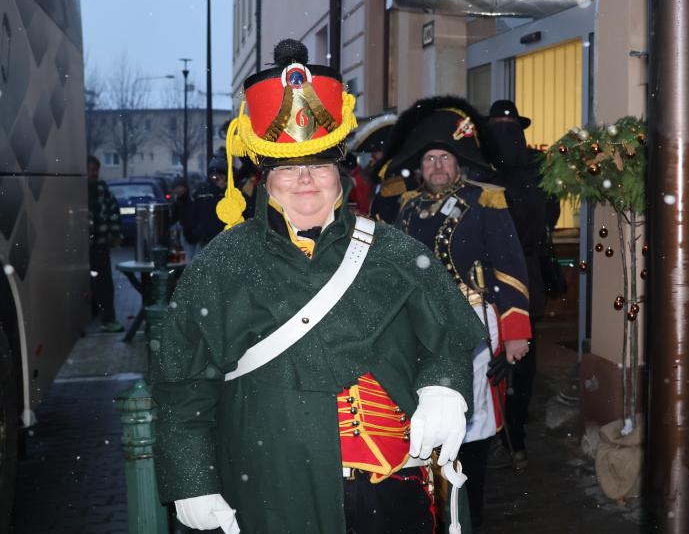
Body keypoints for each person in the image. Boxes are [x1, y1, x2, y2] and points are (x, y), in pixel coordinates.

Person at [149, 40, 486, 534]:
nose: (305, 180)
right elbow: (182, 388)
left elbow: (447, 338)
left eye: (320, 165)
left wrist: (443, 387)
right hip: (275, 494)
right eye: (288, 168)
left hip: (396, 492)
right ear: (265, 179)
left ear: (339, 176)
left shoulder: (393, 251)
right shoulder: (220, 266)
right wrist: (192, 479)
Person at [384, 96, 532, 528]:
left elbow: (510, 266)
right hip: (417, 330)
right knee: (425, 415)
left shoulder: (485, 200)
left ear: (458, 163)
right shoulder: (407, 206)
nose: (437, 166)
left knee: (472, 421)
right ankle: (435, 508)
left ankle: (470, 512)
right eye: (430, 159)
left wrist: (516, 330)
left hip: (474, 328)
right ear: (421, 165)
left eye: (444, 158)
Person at [484, 100, 549, 471]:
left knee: (505, 360)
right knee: (518, 361)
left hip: (499, 280)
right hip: (523, 278)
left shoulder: (486, 171)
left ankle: (507, 433)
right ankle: (512, 435)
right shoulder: (536, 170)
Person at [86, 155, 123, 333]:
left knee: (105, 284)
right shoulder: (77, 190)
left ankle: (108, 319)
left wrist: (115, 234)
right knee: (89, 285)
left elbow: (114, 211)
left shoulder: (103, 191)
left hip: (100, 246)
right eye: (91, 169)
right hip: (82, 249)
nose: (94, 173)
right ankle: (93, 317)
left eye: (96, 170)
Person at [188, 156, 227, 248]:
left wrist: (223, 190)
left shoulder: (229, 191)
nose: (216, 177)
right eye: (213, 174)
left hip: (223, 237)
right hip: (204, 238)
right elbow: (194, 211)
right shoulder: (202, 190)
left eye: (220, 175)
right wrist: (196, 230)